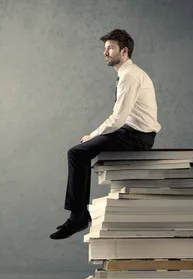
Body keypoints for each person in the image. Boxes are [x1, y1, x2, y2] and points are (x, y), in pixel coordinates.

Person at [50, 29, 161, 240]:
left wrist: (92, 135)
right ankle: (79, 216)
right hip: (131, 132)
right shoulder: (127, 74)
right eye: (105, 48)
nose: (105, 53)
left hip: (137, 137)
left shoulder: (130, 77)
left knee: (77, 153)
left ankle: (78, 218)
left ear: (125, 51)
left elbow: (118, 119)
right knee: (79, 153)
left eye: (110, 48)